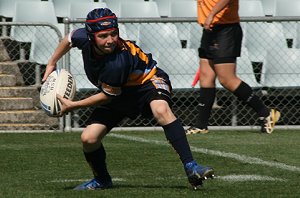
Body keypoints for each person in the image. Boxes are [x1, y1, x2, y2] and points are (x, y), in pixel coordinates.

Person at [42, 8, 214, 190]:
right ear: (91, 36)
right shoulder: (83, 37)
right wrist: (52, 62)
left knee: (161, 109)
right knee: (88, 139)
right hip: (119, 91)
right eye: (103, 36)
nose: (110, 40)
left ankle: (191, 167)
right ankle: (102, 180)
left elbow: (108, 95)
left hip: (147, 82)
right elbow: (68, 39)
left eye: (114, 34)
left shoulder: (118, 61)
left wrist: (74, 105)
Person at [186, 0, 280, 135]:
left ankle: (266, 113)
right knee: (206, 77)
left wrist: (212, 14)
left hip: (226, 29)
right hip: (210, 29)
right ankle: (201, 125)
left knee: (227, 79)